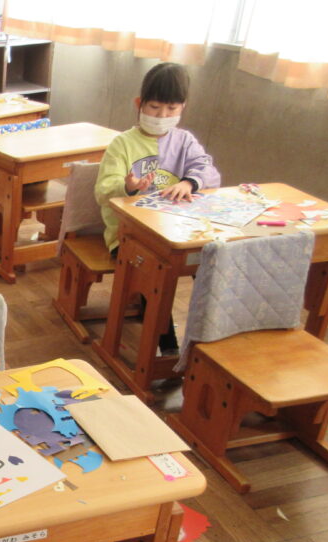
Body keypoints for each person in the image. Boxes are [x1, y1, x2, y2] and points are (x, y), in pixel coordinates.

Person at [94, 62, 220, 353]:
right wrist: (128, 187)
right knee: (155, 272)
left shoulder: (184, 141)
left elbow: (209, 170)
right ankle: (166, 346)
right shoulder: (122, 144)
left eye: (171, 109)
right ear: (139, 104)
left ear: (183, 108)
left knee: (213, 261)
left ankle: (208, 340)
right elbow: (102, 190)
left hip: (177, 231)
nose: (162, 116)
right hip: (129, 236)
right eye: (154, 107)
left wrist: (189, 182)